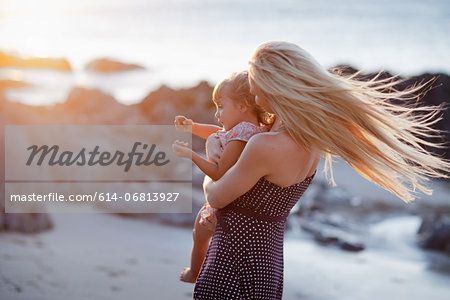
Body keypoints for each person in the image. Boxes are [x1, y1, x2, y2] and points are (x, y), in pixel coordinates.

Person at [193, 41, 450, 299]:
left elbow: (215, 195)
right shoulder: (313, 140)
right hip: (267, 268)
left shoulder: (266, 144)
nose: (253, 93)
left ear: (272, 85)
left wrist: (211, 157)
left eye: (255, 85)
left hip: (232, 263)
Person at [172, 71, 272, 283]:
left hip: (226, 206)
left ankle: (194, 273)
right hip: (235, 203)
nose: (217, 113)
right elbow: (216, 133)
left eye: (221, 106)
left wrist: (191, 155)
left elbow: (219, 173)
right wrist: (192, 127)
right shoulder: (249, 130)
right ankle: (197, 270)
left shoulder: (242, 137)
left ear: (243, 105)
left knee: (199, 236)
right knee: (199, 235)